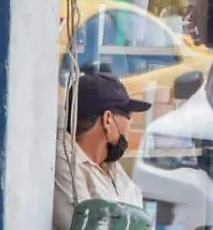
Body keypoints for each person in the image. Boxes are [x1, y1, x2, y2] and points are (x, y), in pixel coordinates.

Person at [53, 72, 151, 230]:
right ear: (107, 119)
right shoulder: (64, 160)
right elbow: (85, 224)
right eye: (128, 116)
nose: (130, 125)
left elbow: (139, 213)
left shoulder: (110, 165)